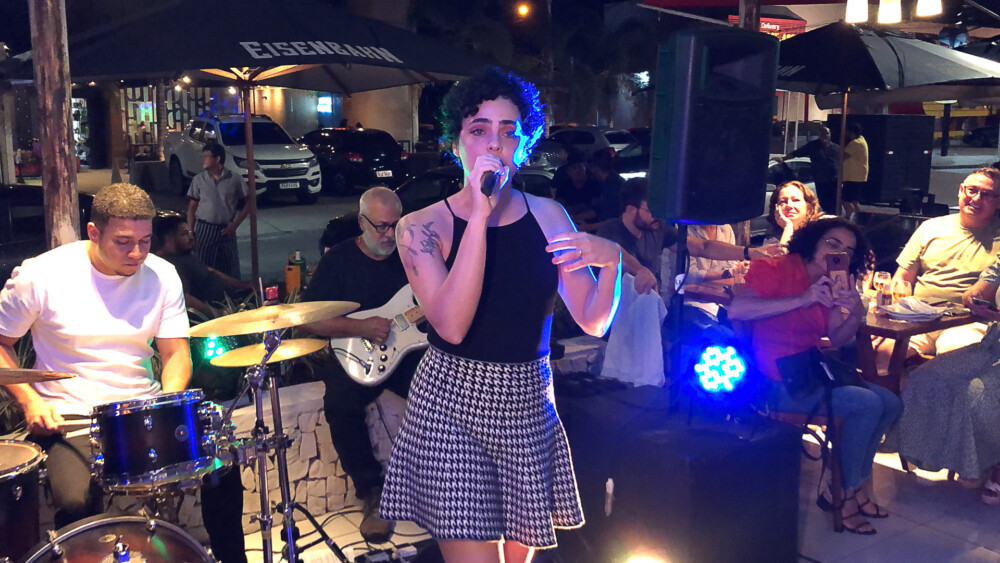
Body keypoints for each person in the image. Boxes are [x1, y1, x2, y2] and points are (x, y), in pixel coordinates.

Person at [379, 67, 622, 563]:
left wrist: (614, 261)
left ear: (524, 144)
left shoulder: (549, 215)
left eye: (509, 131)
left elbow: (594, 321)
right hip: (452, 403)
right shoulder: (421, 226)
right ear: (456, 144)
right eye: (479, 129)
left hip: (528, 401)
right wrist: (479, 215)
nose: (495, 142)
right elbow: (451, 326)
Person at [0, 184, 246, 562]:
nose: (137, 253)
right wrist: (30, 402)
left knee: (223, 466)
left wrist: (170, 400)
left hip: (142, 408)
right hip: (70, 414)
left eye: (145, 241)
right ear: (94, 232)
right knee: (76, 501)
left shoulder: (162, 275)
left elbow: (175, 352)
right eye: (124, 242)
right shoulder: (41, 275)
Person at [729, 217, 901, 535]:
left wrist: (856, 312)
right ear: (813, 242)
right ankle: (844, 494)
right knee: (866, 403)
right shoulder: (776, 267)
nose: (838, 254)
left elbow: (836, 337)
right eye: (832, 244)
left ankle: (852, 486)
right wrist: (803, 299)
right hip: (770, 379)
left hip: (807, 373)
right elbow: (738, 310)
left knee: (890, 402)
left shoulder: (833, 281)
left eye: (847, 251)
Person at [298, 186, 421, 544]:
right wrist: (360, 327)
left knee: (442, 394)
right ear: (362, 222)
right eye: (381, 226)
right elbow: (309, 320)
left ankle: (442, 480)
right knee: (339, 405)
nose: (389, 235)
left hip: (407, 351)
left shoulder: (410, 254)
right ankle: (371, 490)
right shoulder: (338, 260)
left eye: (395, 225)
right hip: (355, 350)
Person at [883, 167, 1000, 359]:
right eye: (972, 190)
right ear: (961, 190)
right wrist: (898, 313)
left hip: (966, 323)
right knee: (884, 354)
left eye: (986, 195)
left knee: (953, 360)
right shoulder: (931, 227)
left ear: (998, 202)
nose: (976, 198)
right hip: (919, 318)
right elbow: (901, 280)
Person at [597, 178, 780, 296]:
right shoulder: (610, 230)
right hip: (613, 317)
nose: (658, 216)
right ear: (631, 210)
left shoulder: (658, 229)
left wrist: (749, 252)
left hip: (646, 308)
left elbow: (703, 247)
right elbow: (617, 254)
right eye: (651, 210)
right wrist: (641, 270)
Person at [153, 214, 253, 318]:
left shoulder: (183, 254)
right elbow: (186, 299)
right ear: (168, 239)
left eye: (190, 232)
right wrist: (218, 313)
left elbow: (212, 271)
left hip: (231, 300)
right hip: (218, 311)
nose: (191, 237)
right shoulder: (168, 266)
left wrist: (245, 285)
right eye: (184, 234)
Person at [186, 143, 250, 279]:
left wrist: (236, 224)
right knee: (204, 266)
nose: (203, 160)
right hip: (205, 228)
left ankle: (231, 291)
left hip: (226, 229)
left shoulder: (234, 179)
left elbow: (248, 203)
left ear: (217, 158)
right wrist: (191, 231)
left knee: (230, 267)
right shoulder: (199, 179)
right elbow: (192, 207)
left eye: (206, 156)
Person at [775, 126, 839, 215]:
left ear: (830, 134)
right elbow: (798, 152)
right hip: (821, 179)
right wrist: (783, 158)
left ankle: (834, 217)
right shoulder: (813, 145)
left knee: (834, 202)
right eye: (822, 134)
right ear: (819, 135)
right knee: (824, 201)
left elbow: (844, 160)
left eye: (827, 133)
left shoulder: (836, 148)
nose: (825, 136)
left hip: (834, 180)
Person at [552, 149, 601, 229]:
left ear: (585, 168)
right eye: (574, 168)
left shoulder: (594, 185)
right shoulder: (564, 187)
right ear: (568, 172)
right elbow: (559, 207)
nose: (578, 171)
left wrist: (578, 216)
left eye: (580, 167)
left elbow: (597, 209)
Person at [766, 180, 825, 247]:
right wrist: (788, 227)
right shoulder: (772, 240)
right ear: (775, 209)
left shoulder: (823, 230)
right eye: (783, 202)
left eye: (796, 200)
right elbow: (780, 253)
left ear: (808, 207)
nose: (789, 205)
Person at [841, 122, 868, 218]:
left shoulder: (855, 143)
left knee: (844, 200)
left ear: (851, 132)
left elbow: (843, 156)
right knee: (854, 200)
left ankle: (851, 218)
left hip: (852, 177)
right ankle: (859, 218)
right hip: (859, 177)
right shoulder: (862, 140)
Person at [591, 149, 625, 223]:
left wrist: (587, 227)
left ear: (596, 168)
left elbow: (613, 218)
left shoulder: (613, 186)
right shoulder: (610, 181)